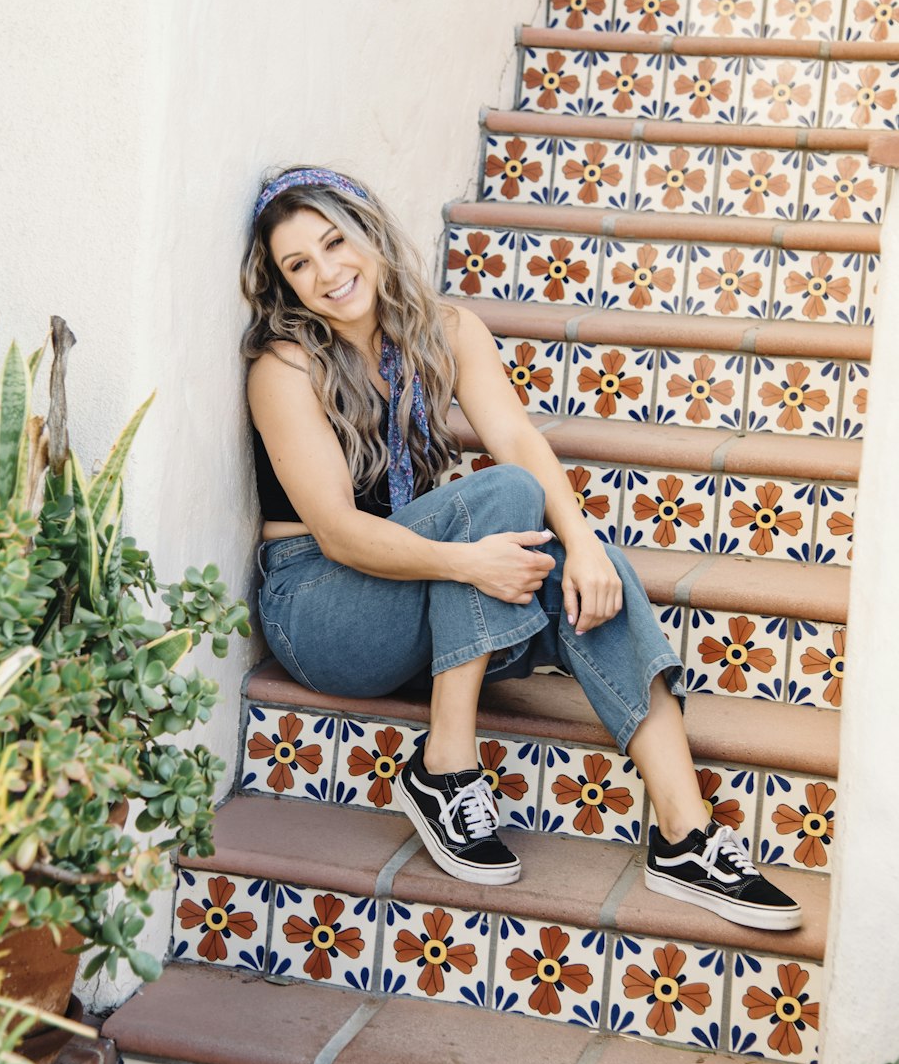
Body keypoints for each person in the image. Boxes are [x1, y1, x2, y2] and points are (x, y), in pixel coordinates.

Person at [242, 165, 800, 931]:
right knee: (503, 497)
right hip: (322, 610)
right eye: (298, 265)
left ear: (371, 234)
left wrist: (588, 547)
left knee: (582, 558)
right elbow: (338, 531)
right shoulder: (285, 366)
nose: (327, 273)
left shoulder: (449, 329)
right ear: (283, 285)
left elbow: (514, 436)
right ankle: (445, 767)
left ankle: (686, 833)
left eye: (336, 243)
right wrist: (469, 562)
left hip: (420, 595)